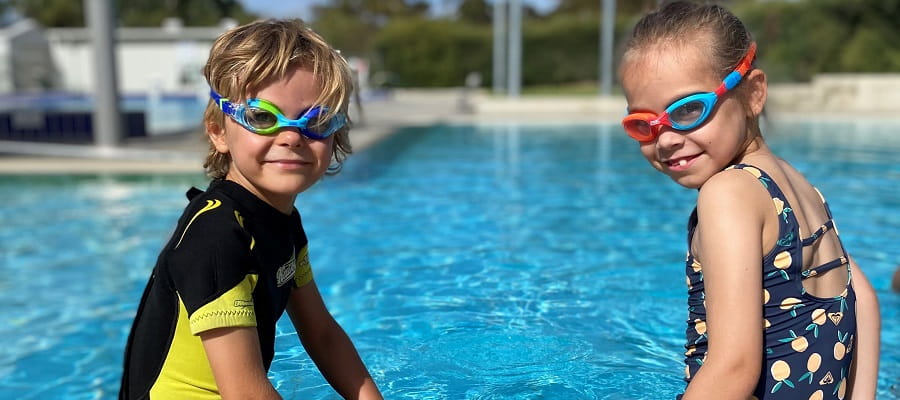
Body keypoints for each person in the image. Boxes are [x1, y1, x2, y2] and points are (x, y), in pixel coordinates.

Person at [618, 2, 880, 399]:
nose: (666, 138)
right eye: (644, 124)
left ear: (754, 93)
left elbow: (733, 367)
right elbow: (861, 296)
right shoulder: (798, 185)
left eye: (688, 109)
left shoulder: (728, 194)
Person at [120, 19, 382, 399]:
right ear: (218, 130)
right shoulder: (215, 237)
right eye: (262, 117)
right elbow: (245, 393)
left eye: (318, 120)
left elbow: (322, 334)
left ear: (336, 134)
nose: (291, 136)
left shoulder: (283, 222)